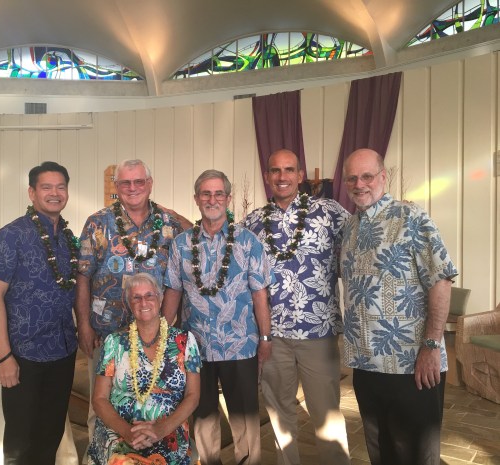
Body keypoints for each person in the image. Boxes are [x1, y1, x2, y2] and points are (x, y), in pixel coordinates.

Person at [340, 148, 458, 465]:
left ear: (383, 177)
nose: (359, 184)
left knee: (416, 454)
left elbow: (441, 279)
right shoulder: (350, 227)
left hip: (411, 364)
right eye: (352, 178)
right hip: (365, 364)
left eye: (367, 176)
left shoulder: (411, 217)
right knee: (381, 452)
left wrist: (431, 346)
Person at [244, 149, 351, 465]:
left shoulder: (329, 212)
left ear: (300, 175)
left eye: (289, 170)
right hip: (272, 336)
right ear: (267, 176)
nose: (282, 177)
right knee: (280, 414)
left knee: (326, 413)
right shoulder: (253, 222)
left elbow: (361, 242)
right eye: (275, 170)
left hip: (318, 331)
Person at [162, 169, 273, 465]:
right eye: (206, 194)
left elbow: (260, 294)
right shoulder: (181, 244)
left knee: (245, 417)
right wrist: (162, 337)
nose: (212, 200)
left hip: (240, 344)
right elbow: (173, 292)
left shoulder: (248, 242)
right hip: (195, 346)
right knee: (202, 416)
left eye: (218, 194)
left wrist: (265, 338)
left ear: (228, 198)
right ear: (196, 199)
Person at [75, 159, 191, 438]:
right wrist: (84, 325)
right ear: (117, 186)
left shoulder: (170, 222)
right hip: (106, 334)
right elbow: (83, 277)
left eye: (139, 181)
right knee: (101, 406)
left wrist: (166, 327)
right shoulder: (98, 222)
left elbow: (180, 273)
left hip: (156, 337)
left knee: (157, 402)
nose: (133, 187)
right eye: (125, 182)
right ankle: (102, 454)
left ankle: (154, 452)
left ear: (150, 184)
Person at [0, 161, 79, 465]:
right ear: (32, 192)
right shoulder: (11, 235)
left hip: (63, 351)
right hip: (24, 355)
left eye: (60, 187)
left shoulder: (68, 239)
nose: (55, 193)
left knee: (50, 436)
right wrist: (4, 357)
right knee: (20, 443)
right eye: (46, 187)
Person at [86, 273, 201, 465]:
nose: (143, 302)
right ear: (129, 304)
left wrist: (160, 430)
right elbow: (99, 399)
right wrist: (127, 432)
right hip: (119, 431)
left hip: (168, 430)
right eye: (136, 297)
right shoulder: (114, 342)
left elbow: (193, 396)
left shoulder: (185, 341)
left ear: (160, 299)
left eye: (149, 295)